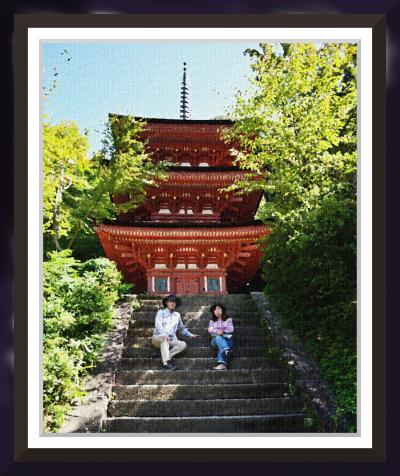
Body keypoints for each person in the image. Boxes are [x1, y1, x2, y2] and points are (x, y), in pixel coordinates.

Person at [151, 294, 200, 370]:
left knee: (183, 344)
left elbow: (181, 328)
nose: (172, 303)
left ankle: (164, 355)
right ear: (167, 303)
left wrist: (191, 335)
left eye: (174, 302)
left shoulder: (177, 315)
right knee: (164, 339)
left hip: (171, 340)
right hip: (158, 338)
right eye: (170, 301)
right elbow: (158, 325)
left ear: (176, 304)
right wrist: (163, 334)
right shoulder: (161, 312)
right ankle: (166, 363)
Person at [208, 303, 234, 370]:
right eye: (215, 310)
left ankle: (222, 364)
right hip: (215, 341)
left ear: (222, 310)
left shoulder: (228, 319)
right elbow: (210, 330)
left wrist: (223, 331)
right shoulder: (212, 321)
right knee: (218, 338)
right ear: (213, 312)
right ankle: (226, 351)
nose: (217, 311)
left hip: (228, 340)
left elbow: (231, 329)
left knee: (221, 346)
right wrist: (217, 331)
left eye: (219, 309)